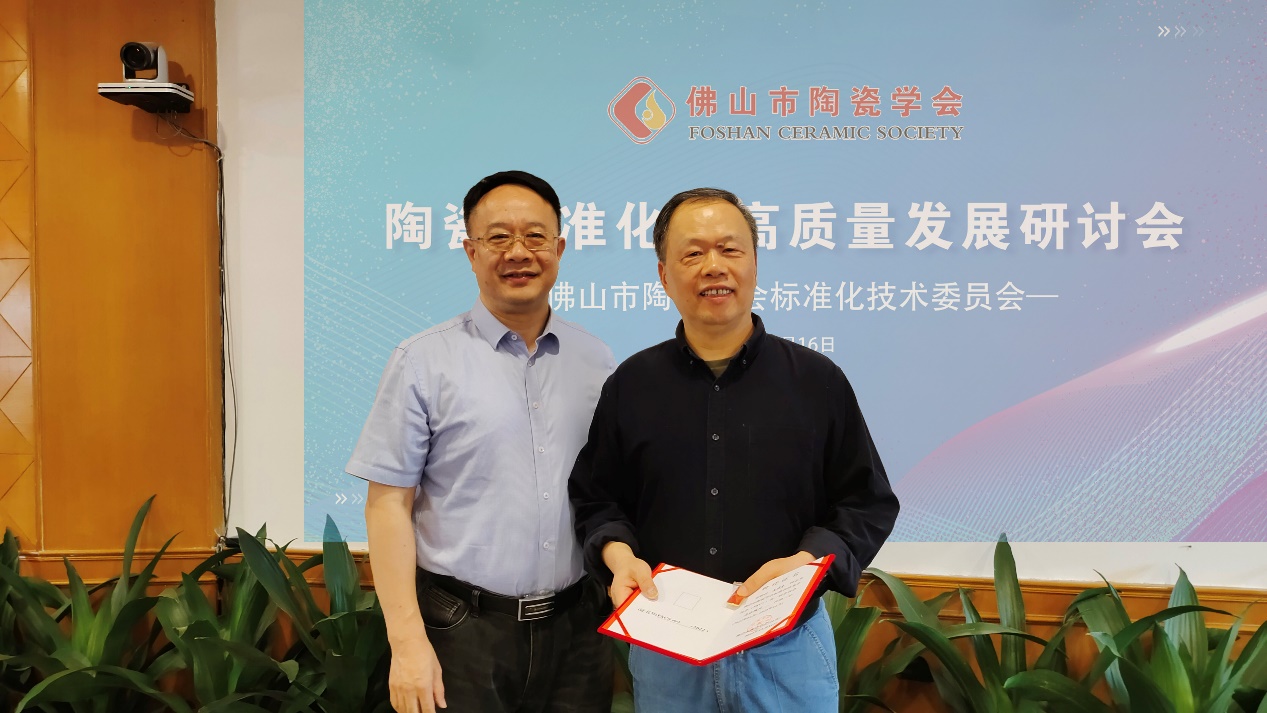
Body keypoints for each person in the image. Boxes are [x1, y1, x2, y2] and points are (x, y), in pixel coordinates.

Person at [569, 187, 899, 712]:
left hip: (786, 647)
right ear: (664, 276)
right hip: (668, 652)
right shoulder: (632, 385)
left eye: (729, 249)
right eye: (693, 253)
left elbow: (866, 502)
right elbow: (597, 498)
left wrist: (808, 561)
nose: (713, 266)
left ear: (754, 264)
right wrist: (618, 555)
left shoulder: (817, 381)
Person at [348, 170, 616, 713]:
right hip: (460, 631)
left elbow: (606, 492)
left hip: (577, 633)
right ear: (471, 252)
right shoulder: (422, 361)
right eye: (498, 237)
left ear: (560, 249)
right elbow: (387, 505)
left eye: (535, 236)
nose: (518, 252)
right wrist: (407, 643)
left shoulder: (597, 360)